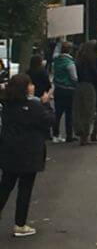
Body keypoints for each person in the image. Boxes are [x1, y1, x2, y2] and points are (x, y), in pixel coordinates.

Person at [0, 74, 54, 237]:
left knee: (6, 185)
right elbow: (49, 120)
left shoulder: (7, 105)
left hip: (9, 150)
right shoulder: (34, 107)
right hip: (29, 152)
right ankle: (20, 223)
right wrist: (46, 104)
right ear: (25, 88)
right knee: (25, 189)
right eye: (30, 84)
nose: (33, 86)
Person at [73, 41, 97, 146]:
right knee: (90, 111)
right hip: (89, 86)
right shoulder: (92, 60)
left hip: (79, 86)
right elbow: (95, 74)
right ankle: (88, 134)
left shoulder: (78, 60)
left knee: (80, 111)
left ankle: (81, 134)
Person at [52, 41, 78, 142]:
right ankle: (69, 135)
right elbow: (74, 78)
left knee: (57, 113)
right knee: (69, 114)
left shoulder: (56, 60)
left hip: (58, 89)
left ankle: (55, 134)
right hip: (68, 90)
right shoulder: (70, 63)